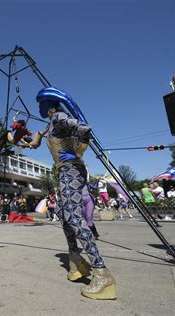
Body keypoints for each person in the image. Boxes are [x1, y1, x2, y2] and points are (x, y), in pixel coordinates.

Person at [36, 87, 116, 300]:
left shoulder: (59, 116)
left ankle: (101, 273)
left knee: (73, 217)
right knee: (64, 216)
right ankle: (77, 261)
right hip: (64, 172)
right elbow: (37, 143)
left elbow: (83, 128)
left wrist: (76, 151)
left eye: (40, 103)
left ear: (48, 104)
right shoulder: (51, 123)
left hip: (70, 170)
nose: (38, 107)